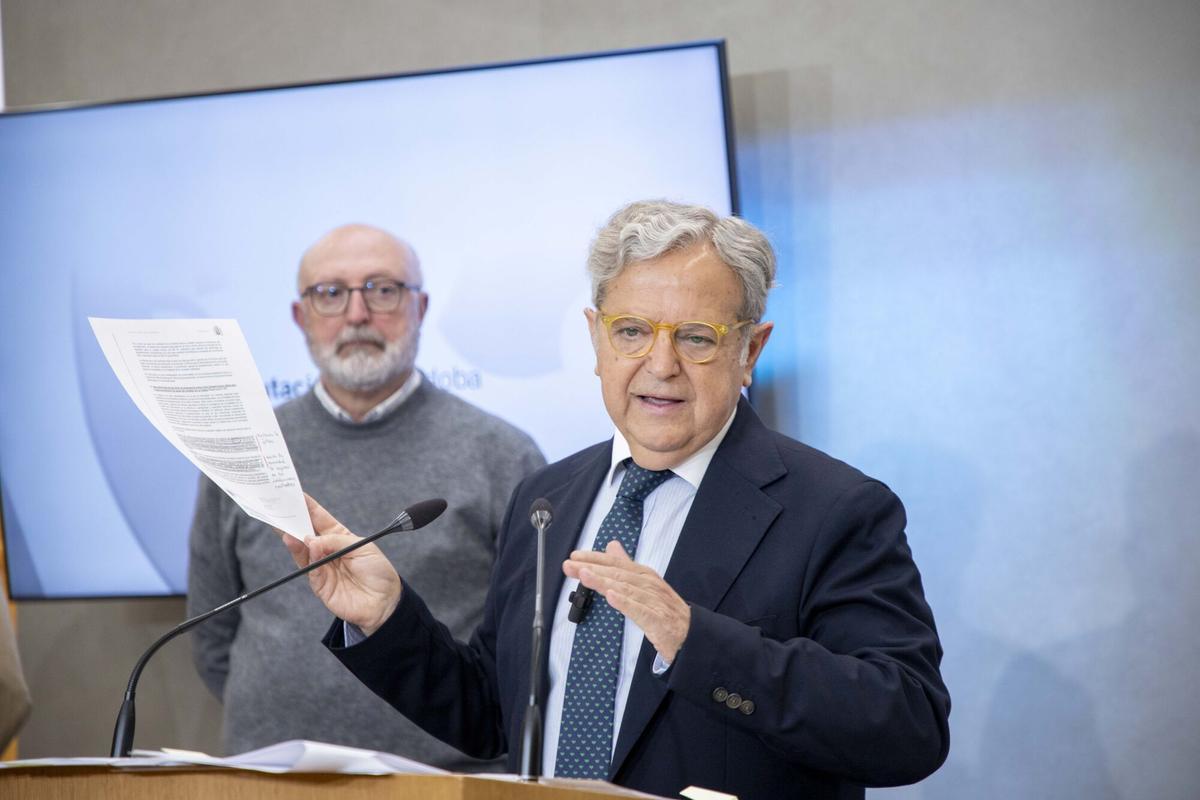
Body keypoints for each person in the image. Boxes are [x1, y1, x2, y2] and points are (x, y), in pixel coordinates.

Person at [281, 202, 950, 798]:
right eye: (632, 331)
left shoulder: (834, 509)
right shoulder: (548, 495)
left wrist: (694, 639)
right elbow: (494, 712)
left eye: (696, 337)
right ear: (597, 339)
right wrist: (386, 617)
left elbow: (907, 726)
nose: (660, 366)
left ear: (750, 350)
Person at [188, 224, 545, 769]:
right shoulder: (246, 451)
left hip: (441, 783)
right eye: (330, 294)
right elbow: (213, 635)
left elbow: (524, 655)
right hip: (265, 776)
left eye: (382, 289)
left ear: (420, 307)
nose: (356, 314)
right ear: (300, 316)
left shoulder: (504, 455)